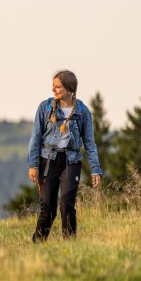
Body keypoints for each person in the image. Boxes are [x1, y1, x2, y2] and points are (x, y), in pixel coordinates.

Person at [27, 70, 102, 242]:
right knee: (48, 206)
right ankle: (38, 242)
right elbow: (35, 138)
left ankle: (69, 245)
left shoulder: (82, 111)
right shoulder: (45, 107)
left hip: (71, 161)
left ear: (69, 89)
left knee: (66, 204)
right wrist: (33, 165)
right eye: (53, 85)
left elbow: (89, 143)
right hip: (48, 160)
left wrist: (95, 170)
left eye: (58, 86)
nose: (53, 89)